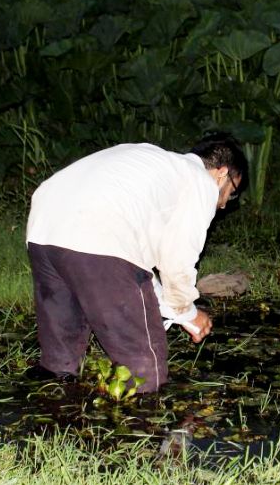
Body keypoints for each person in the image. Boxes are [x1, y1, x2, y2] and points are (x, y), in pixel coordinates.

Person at [25, 133, 247, 392]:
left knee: (58, 358)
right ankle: (141, 421)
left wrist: (180, 313)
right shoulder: (199, 182)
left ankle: (49, 401)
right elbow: (178, 261)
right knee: (143, 369)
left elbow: (138, 271)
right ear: (222, 174)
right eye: (231, 194)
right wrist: (189, 312)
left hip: (43, 229)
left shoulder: (152, 164)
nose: (222, 206)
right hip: (98, 234)